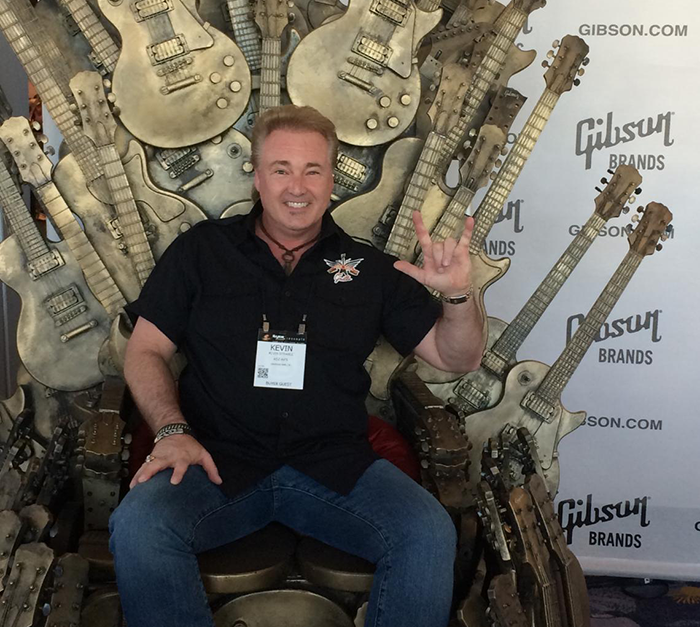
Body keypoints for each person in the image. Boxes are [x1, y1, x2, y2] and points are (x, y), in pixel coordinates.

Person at [110, 105, 485, 627]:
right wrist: (172, 431)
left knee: (427, 531)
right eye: (281, 169)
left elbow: (456, 356)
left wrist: (460, 296)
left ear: (332, 180)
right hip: (216, 461)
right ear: (258, 177)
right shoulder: (202, 251)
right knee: (139, 526)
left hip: (333, 465)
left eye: (313, 170)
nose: (297, 187)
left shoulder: (370, 268)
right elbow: (144, 350)